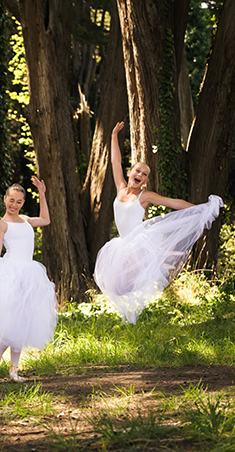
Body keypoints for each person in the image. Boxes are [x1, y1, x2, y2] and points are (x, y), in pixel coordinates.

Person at [94, 121, 222, 323]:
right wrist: (113, 136)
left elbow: (172, 202)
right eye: (138, 171)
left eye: (144, 175)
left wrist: (200, 208)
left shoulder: (144, 196)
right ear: (130, 173)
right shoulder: (120, 188)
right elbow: (115, 162)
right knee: (115, 287)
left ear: (145, 182)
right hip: (121, 245)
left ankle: (164, 263)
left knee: (138, 281)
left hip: (137, 244)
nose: (140, 175)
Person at [0, 179, 57, 383]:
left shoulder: (25, 219)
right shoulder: (1, 224)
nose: (14, 205)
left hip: (29, 274)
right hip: (11, 274)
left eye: (19, 202)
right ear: (5, 199)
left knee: (22, 322)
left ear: (23, 203)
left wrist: (42, 192)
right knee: (14, 323)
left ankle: (13, 370)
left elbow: (45, 220)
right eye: (11, 200)